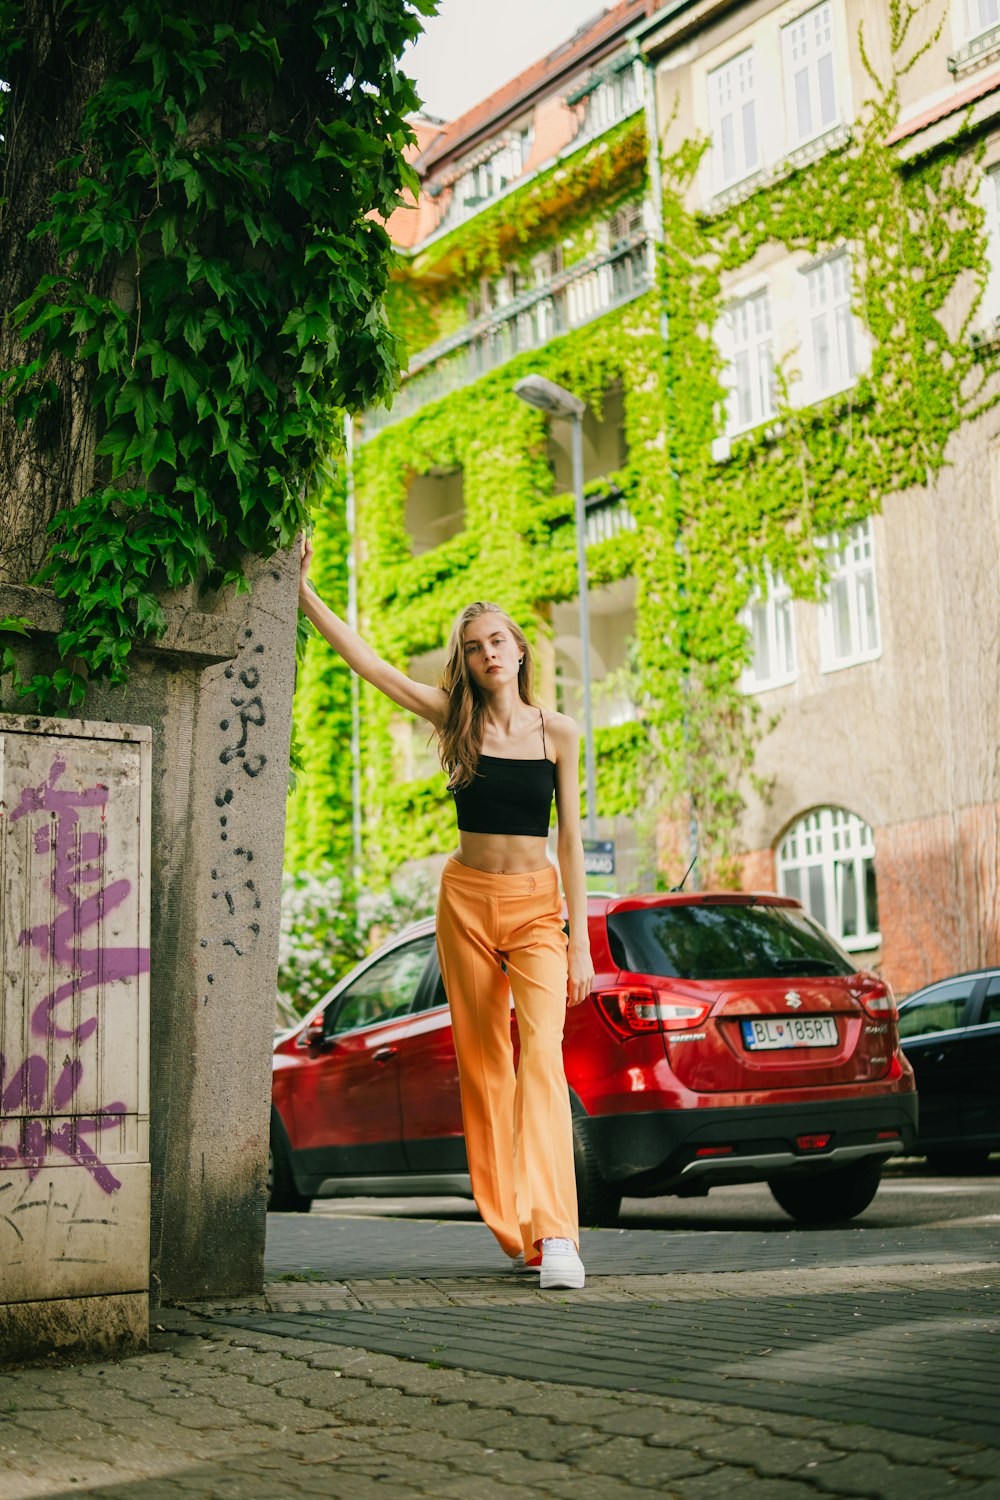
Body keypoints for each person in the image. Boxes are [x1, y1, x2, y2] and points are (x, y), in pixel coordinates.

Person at [298, 535, 594, 1290]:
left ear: (520, 650)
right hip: (465, 903)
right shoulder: (454, 721)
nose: (489, 653)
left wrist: (582, 945)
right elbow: (371, 667)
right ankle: (517, 1230)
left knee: (543, 1064)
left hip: (536, 913)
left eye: (499, 639)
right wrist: (301, 592)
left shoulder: (558, 733)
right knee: (484, 1069)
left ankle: (558, 1232)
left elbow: (571, 841)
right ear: (464, 662)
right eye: (474, 647)